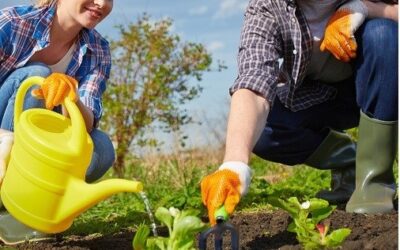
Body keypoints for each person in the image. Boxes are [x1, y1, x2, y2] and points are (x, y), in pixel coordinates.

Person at [201, 0, 398, 225]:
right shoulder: (267, 6)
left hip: (383, 88)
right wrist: (234, 164)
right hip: (320, 98)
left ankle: (375, 183)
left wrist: (359, 9)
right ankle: (351, 164)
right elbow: (253, 82)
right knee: (266, 131)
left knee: (383, 34)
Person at [0, 0, 115, 244]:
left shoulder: (98, 50)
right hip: (3, 130)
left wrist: (71, 98)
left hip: (40, 140)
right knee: (38, 75)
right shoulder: (14, 23)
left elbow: (86, 123)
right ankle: (7, 198)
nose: (102, 3)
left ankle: (24, 211)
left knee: (101, 148)